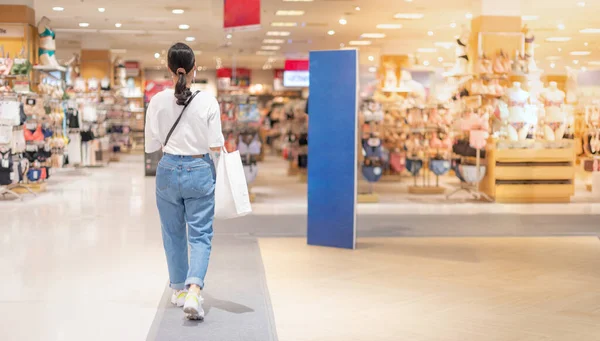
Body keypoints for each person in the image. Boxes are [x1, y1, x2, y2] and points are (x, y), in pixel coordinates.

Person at [145, 42, 224, 320]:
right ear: (195, 69)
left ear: (168, 69)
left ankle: (178, 289)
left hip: (167, 169)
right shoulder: (208, 101)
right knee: (200, 234)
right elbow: (216, 144)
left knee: (172, 232)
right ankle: (194, 290)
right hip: (199, 169)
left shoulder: (156, 101)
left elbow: (150, 144)